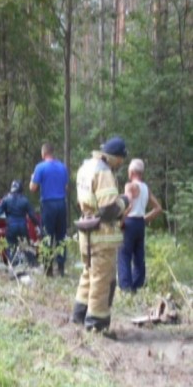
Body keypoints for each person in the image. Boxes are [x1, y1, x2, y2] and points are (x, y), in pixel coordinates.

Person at [71, 136, 133, 332]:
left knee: (89, 273)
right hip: (101, 234)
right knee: (102, 279)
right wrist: (125, 201)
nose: (121, 164)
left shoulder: (86, 167)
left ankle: (79, 314)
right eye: (121, 159)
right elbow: (108, 209)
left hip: (86, 231)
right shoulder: (104, 172)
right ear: (114, 157)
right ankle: (96, 323)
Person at [118, 159, 162, 293]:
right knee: (139, 254)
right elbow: (158, 208)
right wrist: (145, 219)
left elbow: (128, 205)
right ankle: (138, 284)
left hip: (129, 222)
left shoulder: (130, 186)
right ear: (141, 173)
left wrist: (121, 220)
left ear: (131, 172)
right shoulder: (145, 188)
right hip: (140, 223)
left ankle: (126, 287)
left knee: (124, 254)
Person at [29, 143, 69, 276]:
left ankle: (48, 268)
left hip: (48, 204)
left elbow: (33, 188)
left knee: (47, 236)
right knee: (61, 236)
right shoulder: (62, 167)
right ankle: (61, 267)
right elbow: (66, 187)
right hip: (61, 203)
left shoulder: (40, 167)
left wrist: (31, 179)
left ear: (43, 153)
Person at [0, 180, 40, 265]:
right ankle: (32, 264)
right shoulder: (25, 200)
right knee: (26, 246)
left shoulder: (6, 199)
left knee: (11, 247)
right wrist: (38, 225)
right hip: (22, 226)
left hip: (11, 226)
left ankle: (14, 265)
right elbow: (32, 215)